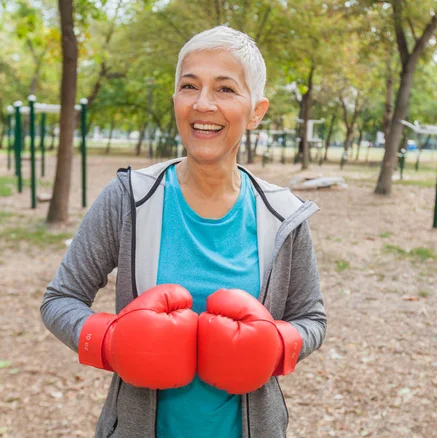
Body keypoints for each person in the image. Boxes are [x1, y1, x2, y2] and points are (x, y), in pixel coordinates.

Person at [41, 25, 327, 438]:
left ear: (257, 111)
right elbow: (60, 299)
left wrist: (278, 345)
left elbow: (311, 318)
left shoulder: (283, 216)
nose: (203, 104)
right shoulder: (129, 198)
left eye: (225, 89)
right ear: (175, 98)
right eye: (189, 86)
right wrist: (110, 342)